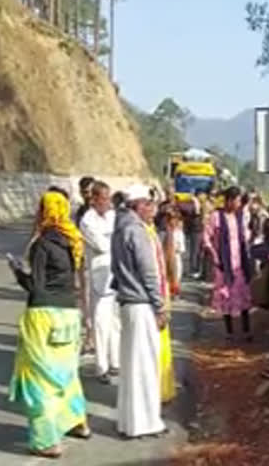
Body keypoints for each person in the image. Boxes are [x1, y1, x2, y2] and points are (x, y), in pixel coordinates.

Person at [8, 191, 91, 459]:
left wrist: (18, 271)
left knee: (39, 377)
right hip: (68, 313)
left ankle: (46, 441)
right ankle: (77, 422)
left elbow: (36, 287)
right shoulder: (72, 240)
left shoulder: (42, 243)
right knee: (66, 372)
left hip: (43, 315)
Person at [111, 185, 169, 439]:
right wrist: (160, 306)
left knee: (130, 366)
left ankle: (128, 421)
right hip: (141, 303)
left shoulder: (119, 228)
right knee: (145, 366)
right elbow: (148, 272)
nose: (152, 209)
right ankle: (146, 422)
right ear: (138, 205)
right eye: (148, 204)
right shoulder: (136, 231)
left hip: (127, 302)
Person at [79, 181, 120, 385]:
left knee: (114, 321)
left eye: (109, 198)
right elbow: (103, 245)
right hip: (98, 275)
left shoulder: (112, 216)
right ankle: (101, 366)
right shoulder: (87, 220)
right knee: (100, 322)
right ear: (94, 199)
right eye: (103, 198)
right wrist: (114, 241)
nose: (107, 202)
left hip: (115, 273)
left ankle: (115, 361)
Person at [204, 186, 254, 342]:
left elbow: (245, 235)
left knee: (243, 296)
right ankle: (229, 332)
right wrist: (214, 255)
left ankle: (246, 330)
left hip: (239, 263)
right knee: (226, 296)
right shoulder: (216, 216)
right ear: (230, 200)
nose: (239, 204)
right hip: (224, 264)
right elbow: (206, 237)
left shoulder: (240, 217)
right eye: (237, 200)